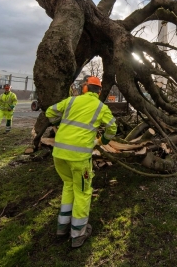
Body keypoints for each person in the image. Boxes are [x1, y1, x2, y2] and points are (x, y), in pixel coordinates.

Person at [45, 76, 117, 248]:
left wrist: (59, 124)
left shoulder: (71, 101)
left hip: (59, 154)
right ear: (99, 92)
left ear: (85, 88)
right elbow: (112, 128)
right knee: (83, 192)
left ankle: (62, 228)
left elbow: (49, 112)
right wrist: (103, 141)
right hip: (79, 159)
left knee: (68, 185)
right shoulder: (101, 107)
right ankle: (78, 234)